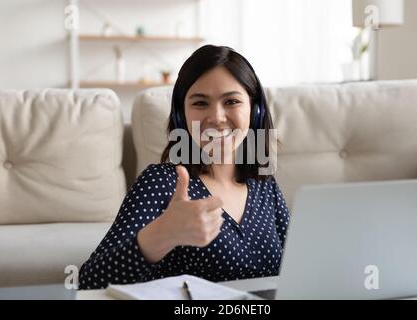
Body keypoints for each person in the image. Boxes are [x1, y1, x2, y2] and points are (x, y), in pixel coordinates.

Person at [79, 45, 290, 290]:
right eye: (200, 103)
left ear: (255, 110)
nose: (217, 117)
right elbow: (88, 282)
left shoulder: (264, 184)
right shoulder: (161, 182)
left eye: (231, 101)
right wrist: (161, 234)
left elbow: (301, 263)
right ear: (182, 115)